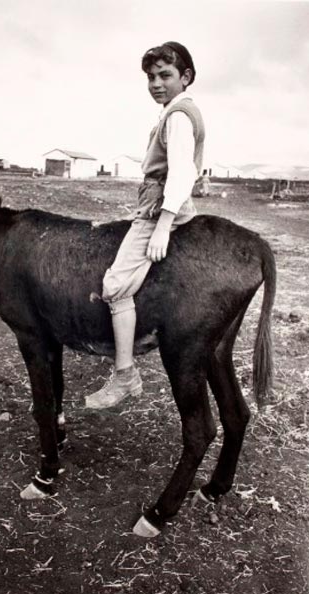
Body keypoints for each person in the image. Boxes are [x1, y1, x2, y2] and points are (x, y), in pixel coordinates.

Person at [85, 41, 205, 409]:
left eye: (165, 75)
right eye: (151, 77)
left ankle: (124, 374)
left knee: (115, 285)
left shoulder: (178, 116)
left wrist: (164, 224)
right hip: (157, 205)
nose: (156, 83)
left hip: (161, 211)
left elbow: (182, 171)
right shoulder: (176, 112)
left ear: (185, 77)